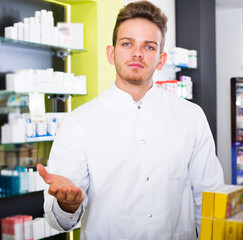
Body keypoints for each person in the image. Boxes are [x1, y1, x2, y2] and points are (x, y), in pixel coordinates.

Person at [37, 1, 224, 239]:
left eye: (148, 47)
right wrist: (67, 205)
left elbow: (209, 198)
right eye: (127, 43)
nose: (137, 53)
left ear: (161, 59)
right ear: (111, 53)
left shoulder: (191, 116)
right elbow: (58, 220)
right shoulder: (79, 123)